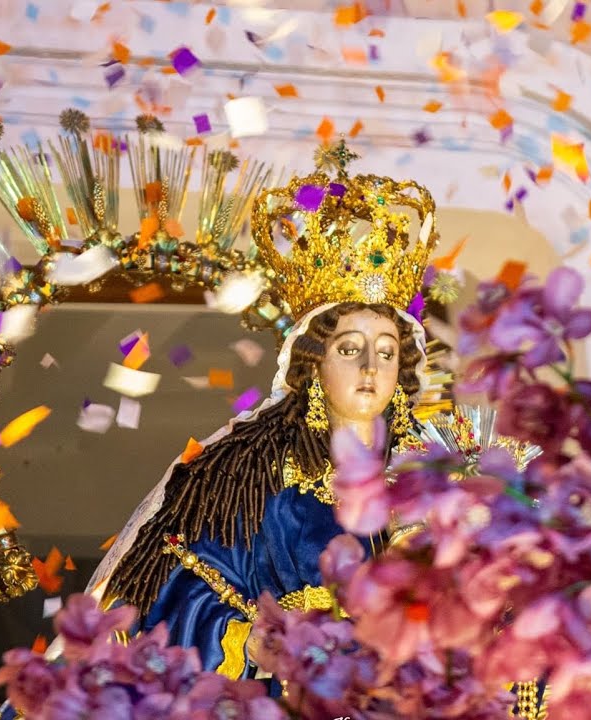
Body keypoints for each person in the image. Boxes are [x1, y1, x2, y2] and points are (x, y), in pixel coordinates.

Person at [86, 148, 439, 679]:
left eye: (387, 352)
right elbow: (177, 589)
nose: (371, 366)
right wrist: (247, 641)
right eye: (349, 349)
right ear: (313, 362)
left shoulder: (440, 470)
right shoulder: (248, 472)